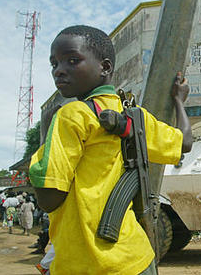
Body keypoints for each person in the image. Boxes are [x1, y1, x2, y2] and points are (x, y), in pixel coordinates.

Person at [29, 25, 192, 274]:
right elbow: (184, 144)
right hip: (137, 258)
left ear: (105, 67)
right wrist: (179, 101)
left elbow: (49, 199)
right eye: (54, 64)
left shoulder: (71, 115)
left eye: (72, 60)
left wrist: (45, 134)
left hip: (86, 263)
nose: (59, 71)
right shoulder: (134, 116)